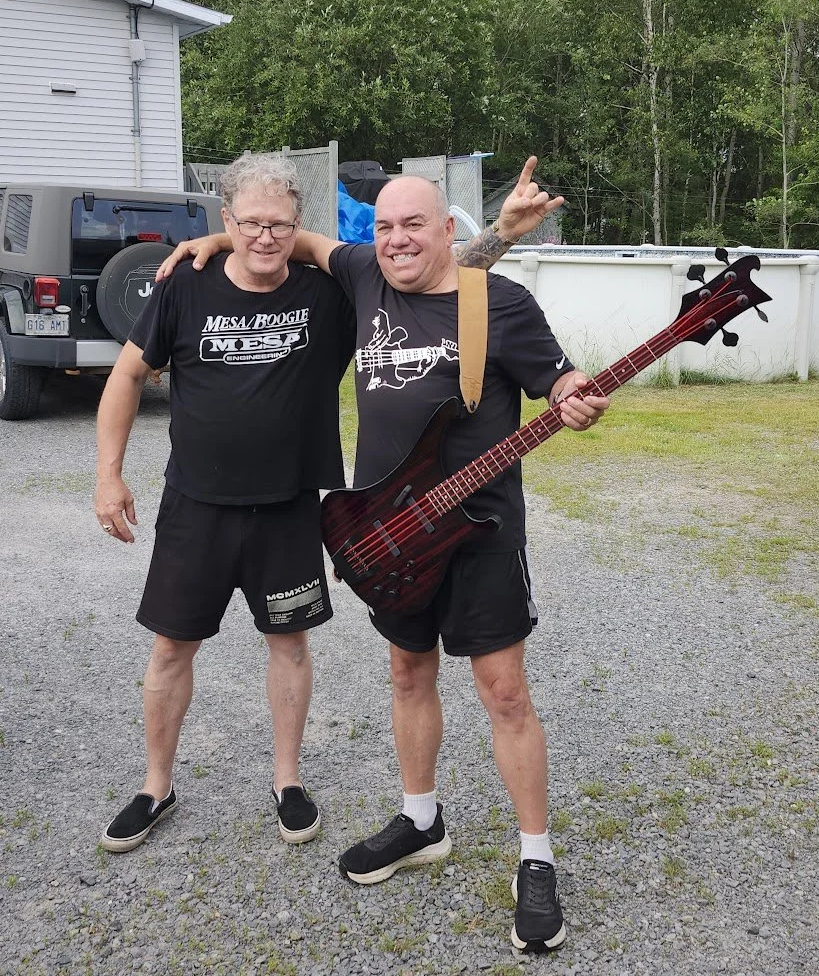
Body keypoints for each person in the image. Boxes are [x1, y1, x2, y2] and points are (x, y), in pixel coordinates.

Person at [160, 158, 609, 953]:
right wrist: (202, 244)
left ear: (448, 232)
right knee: (408, 673)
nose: (398, 240)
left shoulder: (498, 303)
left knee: (504, 692)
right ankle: (420, 816)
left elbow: (559, 379)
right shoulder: (364, 272)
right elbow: (285, 236)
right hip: (393, 531)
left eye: (416, 225)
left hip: (480, 530)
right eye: (387, 226)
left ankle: (535, 857)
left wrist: (575, 397)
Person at [94, 153, 355, 852]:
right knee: (172, 646)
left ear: (298, 225)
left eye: (280, 224)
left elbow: (416, 272)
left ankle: (288, 781)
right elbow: (126, 376)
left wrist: (503, 232)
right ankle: (155, 786)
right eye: (250, 223)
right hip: (196, 508)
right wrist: (108, 473)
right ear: (226, 219)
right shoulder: (186, 286)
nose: (265, 237)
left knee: (289, 643)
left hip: (289, 507)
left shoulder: (327, 295)